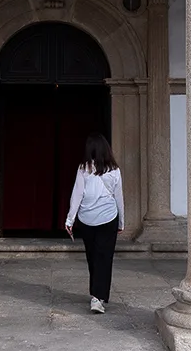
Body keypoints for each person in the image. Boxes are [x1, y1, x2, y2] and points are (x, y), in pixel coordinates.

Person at [65, 133, 125, 314]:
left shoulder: (84, 168)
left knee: (92, 256)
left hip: (87, 219)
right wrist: (121, 221)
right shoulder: (114, 170)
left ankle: (96, 295)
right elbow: (119, 197)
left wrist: (70, 219)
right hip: (108, 218)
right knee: (104, 258)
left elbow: (77, 194)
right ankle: (98, 297)